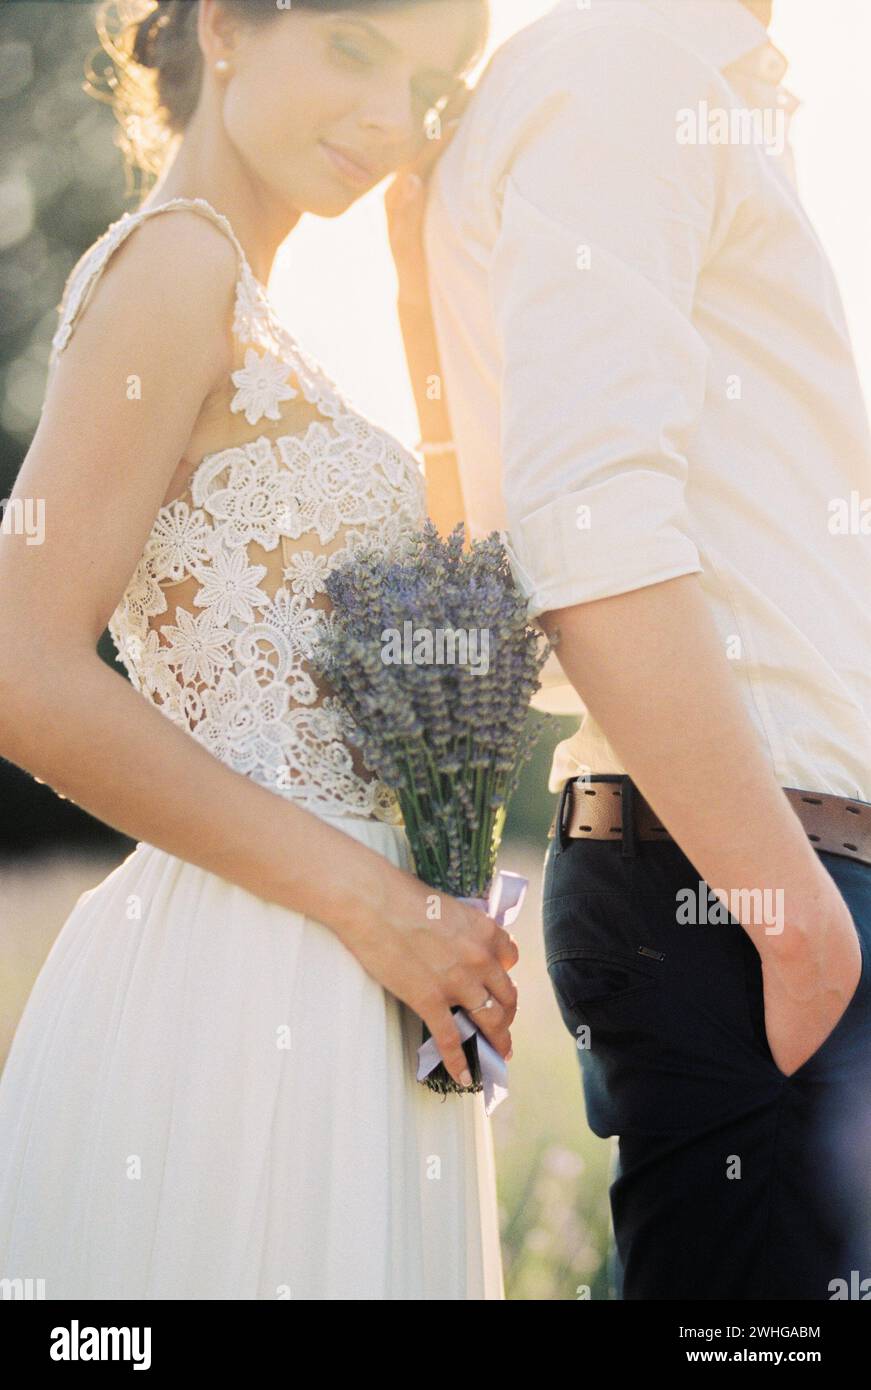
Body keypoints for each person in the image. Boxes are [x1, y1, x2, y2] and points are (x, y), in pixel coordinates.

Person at [0, 0, 514, 1301]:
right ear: (226, 24)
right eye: (354, 50)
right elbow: (20, 667)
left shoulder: (257, 310)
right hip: (257, 979)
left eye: (429, 88)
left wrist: (417, 287)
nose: (390, 121)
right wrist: (377, 903)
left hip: (354, 980)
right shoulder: (175, 265)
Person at [410, 0, 871, 1298]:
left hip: (770, 879)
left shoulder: (688, 79)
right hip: (744, 887)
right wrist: (804, 932)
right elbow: (590, 527)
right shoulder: (625, 68)